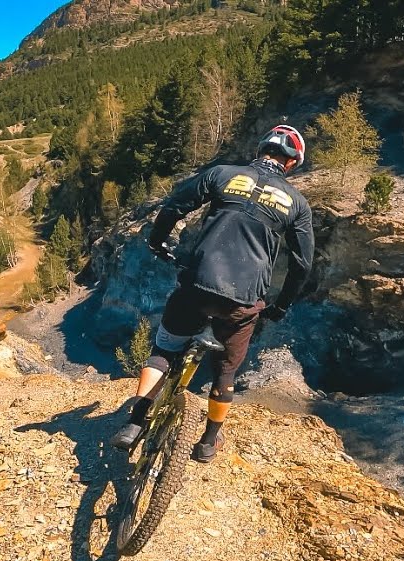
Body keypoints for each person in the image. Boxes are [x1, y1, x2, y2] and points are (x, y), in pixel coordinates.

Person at [111, 125, 315, 463]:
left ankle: (134, 423)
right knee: (225, 371)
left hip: (197, 286)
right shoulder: (297, 203)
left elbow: (175, 206)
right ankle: (208, 441)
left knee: (165, 349)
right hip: (242, 302)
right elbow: (302, 265)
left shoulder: (222, 174)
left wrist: (157, 241)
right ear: (292, 163)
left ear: (260, 149)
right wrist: (280, 307)